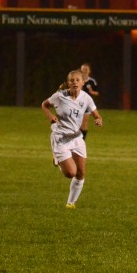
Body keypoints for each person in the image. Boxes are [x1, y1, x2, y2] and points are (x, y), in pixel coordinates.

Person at [42, 69, 103, 209]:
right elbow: (44, 105)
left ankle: (70, 203)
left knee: (81, 173)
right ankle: (57, 158)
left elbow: (97, 115)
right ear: (68, 83)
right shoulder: (59, 96)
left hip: (76, 138)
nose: (75, 82)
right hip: (60, 138)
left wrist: (98, 120)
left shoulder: (86, 98)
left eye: (77, 80)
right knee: (71, 173)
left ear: (83, 82)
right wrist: (50, 116)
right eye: (72, 80)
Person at [79, 63, 100, 140]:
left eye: (86, 70)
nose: (84, 71)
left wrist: (92, 92)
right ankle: (76, 141)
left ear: (89, 71)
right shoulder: (78, 80)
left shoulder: (92, 81)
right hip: (76, 104)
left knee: (84, 123)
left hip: (87, 104)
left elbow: (97, 92)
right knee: (76, 123)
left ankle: (82, 141)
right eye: (83, 69)